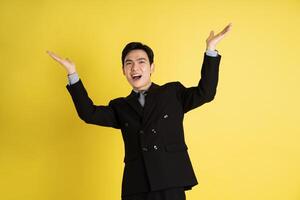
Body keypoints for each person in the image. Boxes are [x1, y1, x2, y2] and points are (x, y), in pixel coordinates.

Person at [47, 23, 232, 200]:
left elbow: (206, 93)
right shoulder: (120, 106)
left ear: (152, 67)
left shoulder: (172, 93)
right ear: (123, 71)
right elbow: (89, 113)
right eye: (129, 64)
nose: (135, 68)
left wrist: (211, 49)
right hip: (136, 187)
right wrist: (72, 74)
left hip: (170, 180)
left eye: (141, 62)